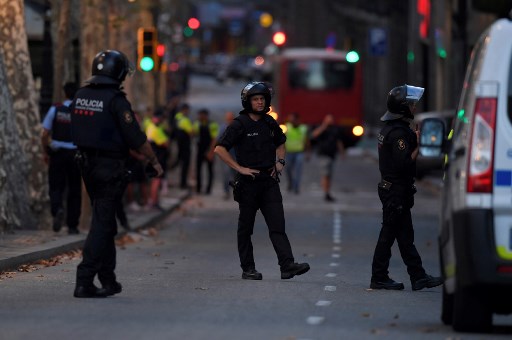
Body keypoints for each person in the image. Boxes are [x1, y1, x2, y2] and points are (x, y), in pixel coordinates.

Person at [70, 50, 163, 298]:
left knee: (106, 221)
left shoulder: (80, 95)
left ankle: (108, 279)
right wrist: (153, 159)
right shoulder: (116, 100)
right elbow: (136, 138)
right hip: (109, 168)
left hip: (85, 165)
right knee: (102, 223)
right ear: (118, 72)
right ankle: (84, 279)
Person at [214, 81, 310, 281]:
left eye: (262, 99)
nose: (259, 102)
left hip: (269, 181)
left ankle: (287, 265)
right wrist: (239, 168)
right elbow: (219, 149)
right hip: (248, 183)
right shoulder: (238, 124)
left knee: (277, 225)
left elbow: (281, 143)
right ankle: (248, 268)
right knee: (245, 228)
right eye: (256, 99)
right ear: (247, 101)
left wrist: (280, 162)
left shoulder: (269, 122)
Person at [370, 84, 443, 291]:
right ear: (402, 108)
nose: (414, 108)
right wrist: (418, 146)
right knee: (389, 234)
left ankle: (418, 277)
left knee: (404, 236)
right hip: (396, 191)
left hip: (393, 189)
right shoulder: (400, 134)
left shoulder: (390, 129)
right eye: (411, 104)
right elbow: (404, 164)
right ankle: (379, 277)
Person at [41, 82, 82, 234]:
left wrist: (45, 151)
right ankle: (72, 225)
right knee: (74, 190)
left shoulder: (55, 109)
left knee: (56, 186)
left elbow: (45, 133)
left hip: (58, 153)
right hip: (75, 154)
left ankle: (57, 208)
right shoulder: (80, 111)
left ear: (64, 93)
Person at [310, 114, 345, 201]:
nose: (330, 121)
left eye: (331, 119)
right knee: (325, 174)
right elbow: (314, 135)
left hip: (332, 155)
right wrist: (323, 127)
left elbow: (338, 141)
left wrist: (342, 152)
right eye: (328, 119)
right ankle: (326, 193)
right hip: (323, 154)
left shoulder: (335, 129)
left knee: (329, 175)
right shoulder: (322, 128)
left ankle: (327, 191)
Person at [193, 108, 219, 194]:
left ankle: (208, 189)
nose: (199, 116)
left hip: (209, 149)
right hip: (200, 150)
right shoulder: (197, 123)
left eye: (201, 115)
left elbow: (214, 139)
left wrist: (211, 152)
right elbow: (193, 134)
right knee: (198, 170)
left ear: (205, 115)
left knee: (210, 170)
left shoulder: (213, 124)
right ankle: (198, 188)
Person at [284, 112, 309, 194]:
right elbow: (281, 140)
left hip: (299, 152)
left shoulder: (303, 128)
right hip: (289, 152)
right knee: (288, 169)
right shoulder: (287, 127)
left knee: (298, 170)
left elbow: (307, 141)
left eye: (293, 119)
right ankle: (290, 183)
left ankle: (296, 187)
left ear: (297, 120)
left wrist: (308, 152)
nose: (291, 121)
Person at [174, 103, 193, 189]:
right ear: (185, 110)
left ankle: (181, 182)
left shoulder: (177, 117)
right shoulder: (185, 120)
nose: (188, 112)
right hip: (185, 146)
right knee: (185, 165)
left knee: (180, 162)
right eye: (188, 110)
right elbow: (191, 133)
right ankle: (183, 183)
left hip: (178, 144)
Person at [219, 111, 236, 200]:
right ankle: (226, 192)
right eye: (228, 118)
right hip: (226, 156)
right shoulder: (222, 128)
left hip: (236, 156)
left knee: (235, 174)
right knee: (226, 174)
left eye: (231, 118)